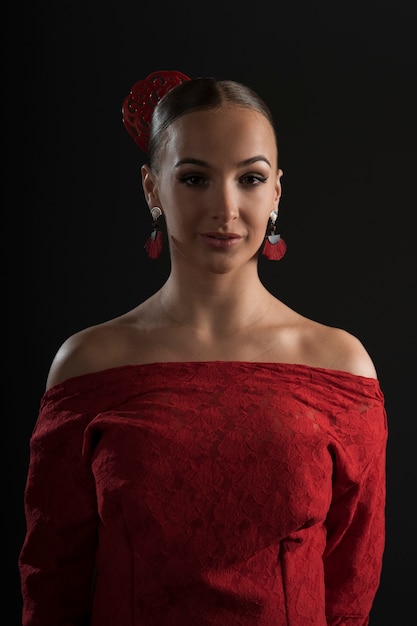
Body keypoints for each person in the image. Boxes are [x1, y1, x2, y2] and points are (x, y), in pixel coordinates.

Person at [19, 70, 388, 626]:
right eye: (194, 179)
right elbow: (51, 586)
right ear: (152, 188)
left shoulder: (339, 368)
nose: (226, 207)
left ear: (277, 191)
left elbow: (349, 587)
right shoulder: (88, 365)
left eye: (250, 178)